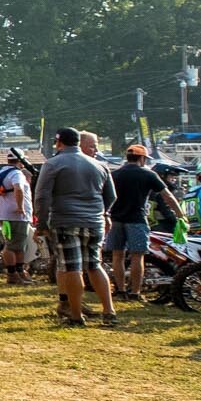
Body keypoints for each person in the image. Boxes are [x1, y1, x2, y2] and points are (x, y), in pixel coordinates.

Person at [37, 127, 117, 325]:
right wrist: (103, 213)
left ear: (59, 143)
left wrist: (41, 221)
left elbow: (42, 196)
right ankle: (109, 311)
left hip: (65, 220)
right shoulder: (99, 165)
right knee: (95, 265)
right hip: (94, 221)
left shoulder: (53, 164)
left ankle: (75, 315)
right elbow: (111, 196)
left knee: (71, 267)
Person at [105, 144, 184, 299]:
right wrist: (180, 214)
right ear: (141, 158)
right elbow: (167, 196)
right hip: (137, 219)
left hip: (116, 219)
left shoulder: (115, 174)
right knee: (137, 256)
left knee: (117, 255)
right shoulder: (148, 174)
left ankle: (120, 291)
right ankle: (135, 292)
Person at [0, 150, 35, 284]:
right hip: (16, 216)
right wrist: (20, 207)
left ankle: (17, 272)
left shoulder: (1, 172)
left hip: (3, 214)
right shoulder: (16, 174)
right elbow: (18, 188)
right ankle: (15, 273)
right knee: (14, 246)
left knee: (12, 244)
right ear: (20, 161)